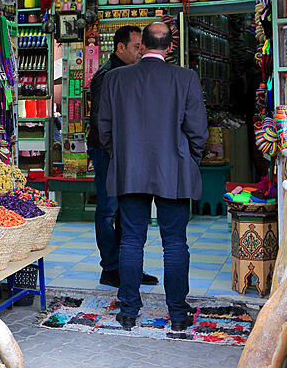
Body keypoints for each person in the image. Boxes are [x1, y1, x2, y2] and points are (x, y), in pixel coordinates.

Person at [97, 21, 208, 332]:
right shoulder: (185, 78)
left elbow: (103, 128)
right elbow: (198, 130)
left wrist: (122, 156)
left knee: (131, 240)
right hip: (174, 169)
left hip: (129, 169)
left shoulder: (116, 78)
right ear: (170, 48)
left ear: (142, 46)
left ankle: (128, 311)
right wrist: (187, 159)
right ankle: (178, 314)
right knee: (175, 243)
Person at [86, 25, 158, 288]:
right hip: (109, 152)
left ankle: (128, 268)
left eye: (143, 47)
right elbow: (102, 122)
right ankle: (111, 268)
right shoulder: (107, 76)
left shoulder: (131, 73)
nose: (141, 51)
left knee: (127, 211)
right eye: (136, 46)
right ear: (120, 47)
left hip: (126, 153)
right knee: (108, 210)